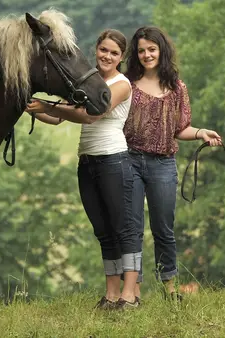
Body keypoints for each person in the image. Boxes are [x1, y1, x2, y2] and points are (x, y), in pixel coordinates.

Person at [26, 29, 141, 309]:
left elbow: (91, 115)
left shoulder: (121, 84)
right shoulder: (87, 83)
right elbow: (56, 118)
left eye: (114, 53)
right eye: (104, 50)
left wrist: (48, 104)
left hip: (113, 158)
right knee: (103, 230)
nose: (107, 56)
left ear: (121, 57)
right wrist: (30, 106)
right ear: (96, 50)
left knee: (123, 228)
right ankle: (111, 293)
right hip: (87, 162)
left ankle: (130, 294)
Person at [123, 26, 222, 301]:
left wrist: (201, 132)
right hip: (129, 160)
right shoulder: (126, 84)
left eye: (152, 49)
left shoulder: (177, 87)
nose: (146, 54)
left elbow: (180, 129)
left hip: (163, 164)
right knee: (132, 228)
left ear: (161, 50)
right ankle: (133, 291)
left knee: (163, 228)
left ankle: (170, 288)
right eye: (141, 50)